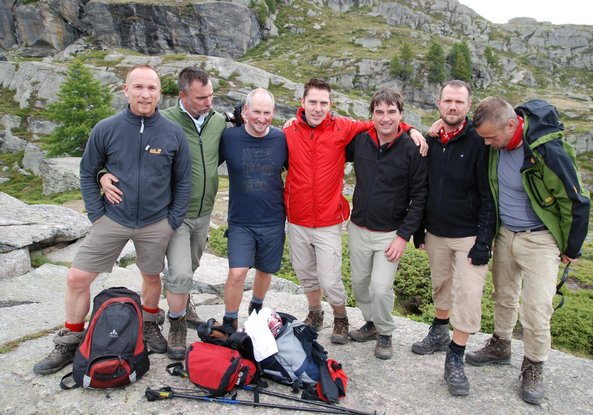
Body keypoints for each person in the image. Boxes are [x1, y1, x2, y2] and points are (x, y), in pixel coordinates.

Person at [33, 64, 192, 374]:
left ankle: (148, 325)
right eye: (139, 87)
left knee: (150, 277)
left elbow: (183, 180)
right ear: (126, 90)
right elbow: (88, 171)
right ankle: (70, 340)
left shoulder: (173, 132)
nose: (146, 94)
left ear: (161, 93)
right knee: (77, 278)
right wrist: (96, 214)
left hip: (156, 222)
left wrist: (172, 221)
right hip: (112, 220)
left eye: (152, 88)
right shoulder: (106, 128)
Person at [284, 78, 427, 344]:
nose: (317, 108)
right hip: (331, 223)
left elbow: (419, 195)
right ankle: (345, 319)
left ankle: (365, 326)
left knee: (362, 284)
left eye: (323, 103)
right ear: (302, 103)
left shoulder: (354, 131)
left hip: (363, 227)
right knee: (341, 282)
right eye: (312, 102)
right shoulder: (297, 132)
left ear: (331, 105)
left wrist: (411, 129)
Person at [467, 97, 590, 404]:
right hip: (506, 233)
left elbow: (576, 201)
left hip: (541, 239)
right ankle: (501, 344)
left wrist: (571, 247)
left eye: (492, 137)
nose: (488, 144)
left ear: (512, 125)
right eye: (484, 138)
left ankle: (534, 365)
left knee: (536, 308)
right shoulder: (494, 145)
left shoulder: (547, 151)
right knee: (504, 295)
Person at [101, 67, 227, 360]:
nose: (209, 102)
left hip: (204, 211)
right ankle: (177, 323)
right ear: (183, 96)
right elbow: (125, 150)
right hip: (175, 212)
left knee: (190, 268)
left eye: (211, 95)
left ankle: (183, 302)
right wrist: (102, 173)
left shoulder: (218, 121)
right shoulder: (164, 120)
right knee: (180, 272)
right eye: (201, 97)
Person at [409, 80, 495, 396]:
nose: (453, 107)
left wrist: (485, 240)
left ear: (468, 106)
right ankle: (439, 331)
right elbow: (423, 188)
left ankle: (455, 357)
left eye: (459, 102)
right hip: (436, 232)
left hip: (470, 236)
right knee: (441, 285)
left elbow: (488, 195)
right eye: (448, 101)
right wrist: (420, 229)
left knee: (469, 294)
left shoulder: (479, 142)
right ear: (438, 103)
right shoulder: (432, 140)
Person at [346, 87, 427, 360]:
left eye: (391, 112)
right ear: (372, 115)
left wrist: (404, 236)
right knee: (360, 284)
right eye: (379, 112)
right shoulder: (359, 141)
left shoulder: (411, 148)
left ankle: (385, 332)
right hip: (358, 228)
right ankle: (370, 322)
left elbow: (420, 197)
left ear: (401, 115)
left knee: (380, 287)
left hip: (390, 234)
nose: (385, 118)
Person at [219, 88, 287, 330]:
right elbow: (203, 163)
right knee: (237, 273)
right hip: (240, 222)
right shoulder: (229, 138)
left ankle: (256, 308)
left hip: (273, 219)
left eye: (266, 112)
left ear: (273, 113)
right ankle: (229, 321)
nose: (261, 118)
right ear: (245, 111)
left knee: (265, 271)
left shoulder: (281, 138)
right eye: (256, 111)